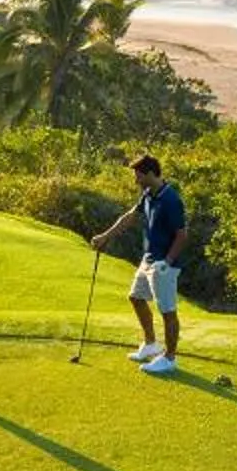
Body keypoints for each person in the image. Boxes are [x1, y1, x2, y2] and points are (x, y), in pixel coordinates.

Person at [91, 153, 188, 375]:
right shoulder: (148, 194)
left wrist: (168, 261)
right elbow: (129, 217)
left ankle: (170, 358)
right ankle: (151, 344)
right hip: (149, 258)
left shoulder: (171, 199)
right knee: (135, 297)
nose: (136, 180)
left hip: (165, 263)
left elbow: (182, 235)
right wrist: (105, 236)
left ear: (151, 173)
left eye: (139, 175)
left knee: (167, 311)